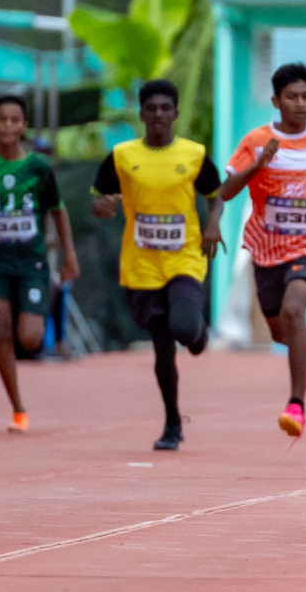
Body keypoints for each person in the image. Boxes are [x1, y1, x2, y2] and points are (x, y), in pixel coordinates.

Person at [221, 62, 306, 438]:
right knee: (283, 329)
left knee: (294, 309)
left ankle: (296, 405)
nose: (300, 104)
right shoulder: (257, 140)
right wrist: (259, 165)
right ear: (276, 100)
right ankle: (301, 343)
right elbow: (226, 191)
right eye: (291, 97)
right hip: (265, 250)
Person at [92, 79, 225, 450]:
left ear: (176, 114)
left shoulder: (194, 154)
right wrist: (101, 206)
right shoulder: (121, 156)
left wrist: (213, 222)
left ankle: (197, 335)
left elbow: (216, 196)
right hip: (142, 265)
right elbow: (98, 196)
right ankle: (171, 423)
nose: (158, 116)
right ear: (141, 114)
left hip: (184, 259)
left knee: (183, 327)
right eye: (151, 109)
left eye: (166, 109)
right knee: (162, 351)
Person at [0, 95, 80, 432]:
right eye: (2, 119)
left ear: (23, 126)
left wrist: (69, 254)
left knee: (30, 337)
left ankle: (28, 358)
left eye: (15, 120)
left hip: (30, 259)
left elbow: (58, 210)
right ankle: (18, 408)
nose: (8, 126)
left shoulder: (38, 168)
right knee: (1, 327)